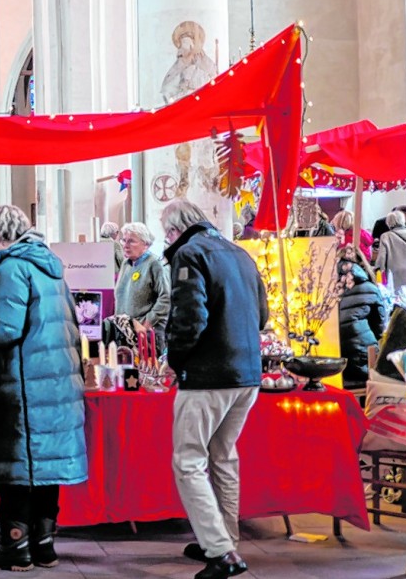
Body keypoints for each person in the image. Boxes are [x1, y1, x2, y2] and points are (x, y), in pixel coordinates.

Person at [0, 206, 87, 572]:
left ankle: (15, 546)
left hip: (23, 383)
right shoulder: (49, 266)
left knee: (18, 467)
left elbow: (7, 330)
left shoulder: (12, 267)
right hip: (57, 379)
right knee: (46, 468)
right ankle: (44, 545)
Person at [160, 200, 269, 579]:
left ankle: (221, 552)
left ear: (175, 230)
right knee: (223, 455)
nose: (166, 240)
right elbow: (263, 316)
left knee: (188, 461)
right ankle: (225, 539)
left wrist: (175, 360)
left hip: (208, 375)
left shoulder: (189, 254)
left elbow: (189, 318)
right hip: (247, 373)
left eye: (166, 233)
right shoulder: (239, 253)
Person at [336, 247, 387, 389]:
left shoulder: (327, 288)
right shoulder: (370, 288)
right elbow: (379, 327)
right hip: (363, 357)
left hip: (335, 359)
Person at [115, 223, 171, 331]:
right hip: (125, 330)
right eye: (124, 240)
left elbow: (166, 297)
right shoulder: (126, 264)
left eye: (131, 241)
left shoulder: (155, 264)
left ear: (145, 244)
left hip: (147, 332)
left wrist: (147, 323)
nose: (125, 245)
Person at [374, 210, 406, 296]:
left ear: (388, 222)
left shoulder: (386, 236)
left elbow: (381, 258)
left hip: (394, 272)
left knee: (397, 297)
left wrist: (378, 270)